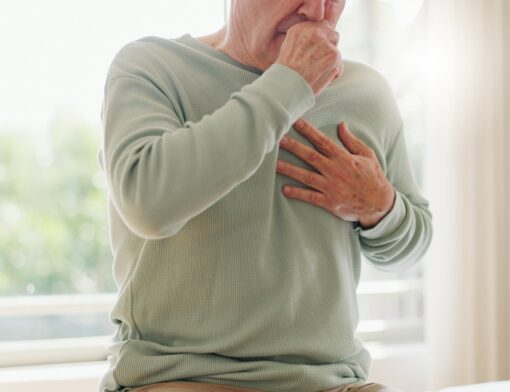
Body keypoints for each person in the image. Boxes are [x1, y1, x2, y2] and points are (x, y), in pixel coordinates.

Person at [97, 0, 433, 391]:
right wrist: (289, 83)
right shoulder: (151, 67)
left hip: (333, 383)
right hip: (181, 378)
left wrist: (380, 207)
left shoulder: (366, 93)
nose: (316, 12)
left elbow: (412, 243)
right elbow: (148, 204)